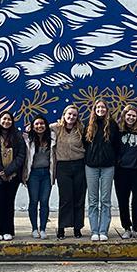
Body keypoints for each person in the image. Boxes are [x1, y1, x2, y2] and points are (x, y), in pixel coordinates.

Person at [0, 111, 26, 241]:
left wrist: (8, 171)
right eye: (4, 119)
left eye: (9, 119)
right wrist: (0, 170)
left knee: (9, 202)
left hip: (13, 176)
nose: (6, 122)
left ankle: (8, 230)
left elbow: (21, 155)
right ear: (0, 120)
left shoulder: (17, 136)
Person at [83, 99, 120, 241]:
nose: (100, 109)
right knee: (92, 200)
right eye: (98, 107)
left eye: (103, 107)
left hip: (108, 167)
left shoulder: (112, 125)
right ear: (94, 109)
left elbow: (117, 145)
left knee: (105, 200)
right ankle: (94, 230)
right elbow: (84, 144)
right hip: (91, 166)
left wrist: (113, 159)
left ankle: (103, 230)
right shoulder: (88, 124)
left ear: (106, 109)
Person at [114, 105, 137, 240]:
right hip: (121, 171)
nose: (131, 118)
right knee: (123, 201)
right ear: (124, 116)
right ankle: (127, 228)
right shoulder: (117, 131)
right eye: (128, 115)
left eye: (134, 116)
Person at [50, 104, 86, 239]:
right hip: (63, 166)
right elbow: (39, 127)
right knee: (65, 198)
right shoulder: (56, 128)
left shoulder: (81, 129)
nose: (71, 117)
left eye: (74, 115)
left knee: (79, 198)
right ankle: (62, 228)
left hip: (79, 165)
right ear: (64, 115)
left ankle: (77, 228)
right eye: (69, 114)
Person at [23, 115, 55, 239]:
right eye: (36, 124)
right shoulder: (28, 139)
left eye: (42, 123)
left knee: (45, 202)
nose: (39, 126)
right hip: (33, 175)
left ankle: (43, 229)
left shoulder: (52, 138)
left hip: (47, 174)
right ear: (32, 126)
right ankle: (34, 229)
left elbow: (59, 125)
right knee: (34, 201)